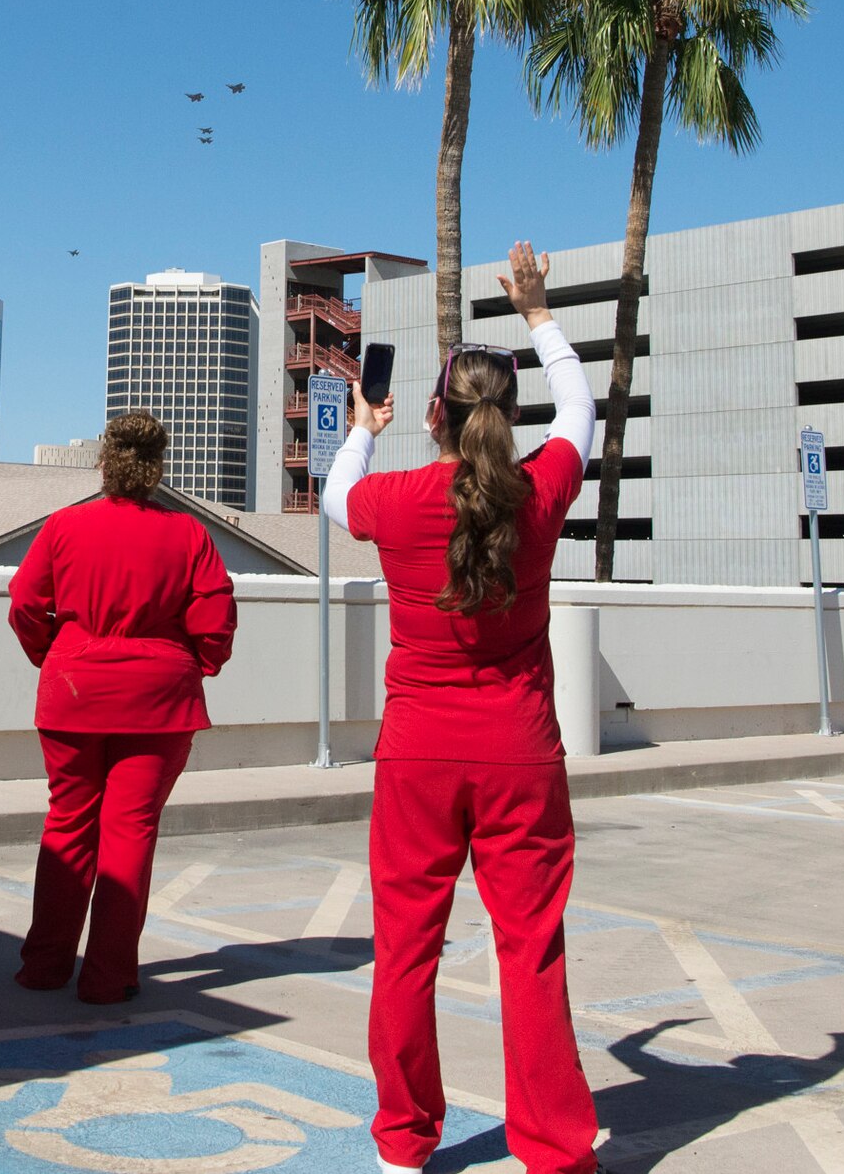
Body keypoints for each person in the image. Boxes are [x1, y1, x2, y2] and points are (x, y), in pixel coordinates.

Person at [323, 241, 607, 1174]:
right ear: (506, 416)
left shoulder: (397, 501)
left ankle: (404, 1146)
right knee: (531, 952)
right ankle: (556, 1149)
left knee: (406, 948)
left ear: (435, 416)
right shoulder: (540, 494)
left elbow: (334, 497)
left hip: (418, 754)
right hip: (521, 750)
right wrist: (538, 312)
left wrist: (366, 423)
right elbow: (582, 410)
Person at [7, 412, 238, 1004]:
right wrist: (191, 664)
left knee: (68, 824)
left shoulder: (63, 526)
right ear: (159, 466)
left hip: (75, 689)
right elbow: (215, 620)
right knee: (130, 830)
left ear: (105, 461)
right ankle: (109, 977)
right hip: (159, 699)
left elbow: (26, 605)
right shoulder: (187, 534)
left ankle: (45, 965)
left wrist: (57, 654)